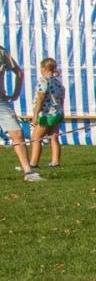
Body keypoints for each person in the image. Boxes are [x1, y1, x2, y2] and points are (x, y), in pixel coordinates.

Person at [0, 44, 40, 181]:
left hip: (1, 102)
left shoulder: (1, 52)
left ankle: (28, 172)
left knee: (17, 133)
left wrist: (16, 94)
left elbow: (19, 73)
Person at [28, 57, 65, 171]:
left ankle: (33, 163)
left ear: (43, 68)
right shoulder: (58, 82)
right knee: (53, 137)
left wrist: (35, 115)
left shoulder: (43, 81)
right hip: (57, 113)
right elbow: (62, 98)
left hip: (47, 115)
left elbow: (40, 97)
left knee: (36, 137)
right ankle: (55, 162)